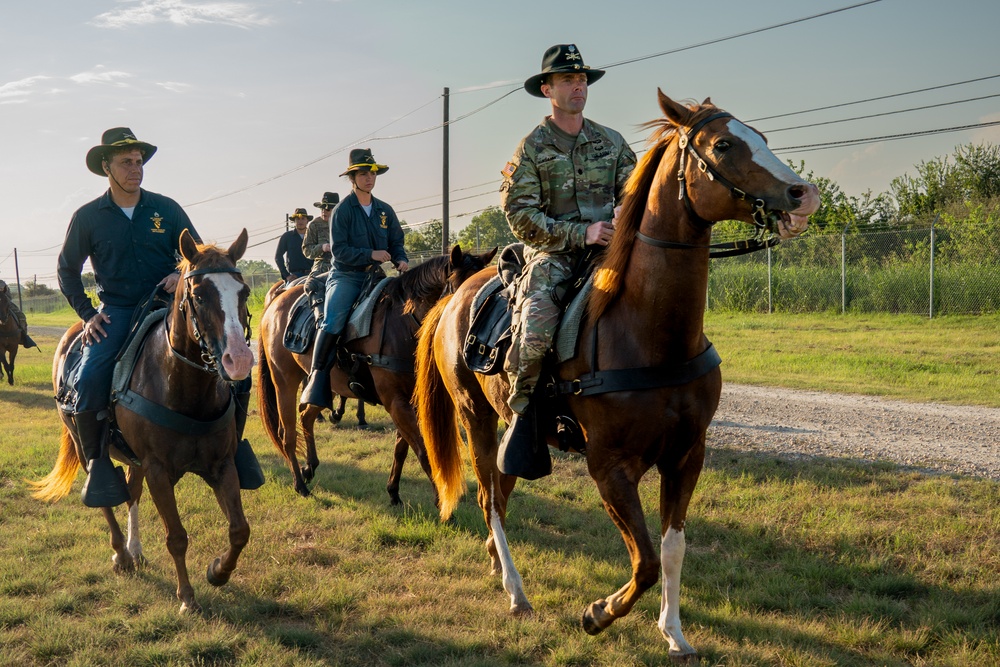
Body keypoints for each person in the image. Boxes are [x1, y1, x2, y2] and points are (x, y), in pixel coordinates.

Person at [57, 127, 262, 507]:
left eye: (138, 162)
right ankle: (99, 465)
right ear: (107, 167)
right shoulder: (87, 217)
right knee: (87, 379)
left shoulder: (166, 209)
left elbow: (202, 259)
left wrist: (179, 273)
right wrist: (87, 315)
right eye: (126, 163)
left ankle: (234, 446)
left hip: (168, 307)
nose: (135, 169)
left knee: (236, 366)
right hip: (117, 311)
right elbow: (67, 270)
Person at [497, 44, 637, 479]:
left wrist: (623, 213)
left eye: (581, 80)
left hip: (609, 250)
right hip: (554, 255)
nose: (578, 87)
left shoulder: (611, 142)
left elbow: (635, 192)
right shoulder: (532, 147)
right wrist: (581, 232)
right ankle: (524, 415)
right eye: (567, 81)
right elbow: (519, 213)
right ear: (547, 89)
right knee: (536, 326)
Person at [300, 149, 408, 409]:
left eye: (371, 173)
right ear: (353, 178)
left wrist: (400, 258)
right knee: (333, 320)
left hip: (377, 275)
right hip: (346, 276)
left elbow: (396, 240)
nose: (369, 178)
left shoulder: (385, 210)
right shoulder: (342, 210)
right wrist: (370, 253)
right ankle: (318, 379)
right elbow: (340, 251)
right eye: (363, 174)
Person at [302, 191, 339, 321]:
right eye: (322, 208)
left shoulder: (344, 223)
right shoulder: (314, 225)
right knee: (311, 286)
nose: (324, 211)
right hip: (322, 264)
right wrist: (322, 247)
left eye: (328, 208)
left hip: (342, 263)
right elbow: (306, 250)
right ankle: (317, 318)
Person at [275, 208, 313, 284]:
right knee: (288, 295)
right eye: (298, 219)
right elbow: (278, 256)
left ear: (307, 221)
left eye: (303, 219)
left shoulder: (313, 235)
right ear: (294, 221)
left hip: (312, 274)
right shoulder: (287, 237)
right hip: (294, 276)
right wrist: (287, 275)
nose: (300, 221)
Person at [0, 279, 37, 348]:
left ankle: (23, 336)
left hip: (5, 304)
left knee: (21, 316)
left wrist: (4, 296)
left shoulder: (3, 283)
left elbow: (9, 296)